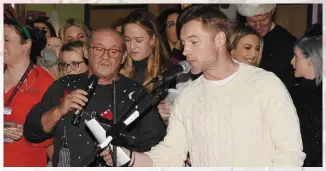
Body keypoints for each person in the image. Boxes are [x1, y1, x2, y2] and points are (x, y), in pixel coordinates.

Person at [100, 5, 305, 167]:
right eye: (183, 42)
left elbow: (290, 154)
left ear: (220, 39)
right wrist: (129, 157)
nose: (186, 50)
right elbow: (170, 154)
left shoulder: (265, 84)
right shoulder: (188, 96)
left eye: (194, 41)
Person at [23, 27, 166, 167]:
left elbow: (156, 145)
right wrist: (59, 110)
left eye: (114, 51)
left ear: (123, 57)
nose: (105, 56)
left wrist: (125, 154)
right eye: (99, 49)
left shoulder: (136, 93)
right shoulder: (64, 85)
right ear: (86, 51)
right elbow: (32, 132)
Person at [4, 18, 55, 166]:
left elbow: (56, 133)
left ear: (26, 45)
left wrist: (30, 132)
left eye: (5, 39)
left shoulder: (46, 83)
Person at [236, 4, 297, 95]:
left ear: (272, 12)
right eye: (252, 21)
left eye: (263, 19)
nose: (258, 27)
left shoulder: (288, 42)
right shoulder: (236, 37)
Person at [290, 35, 322, 167]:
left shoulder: (313, 97)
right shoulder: (299, 91)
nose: (292, 62)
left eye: (296, 57)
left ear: (310, 60)